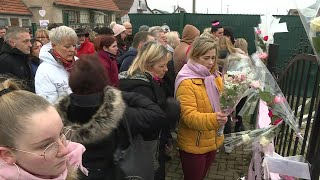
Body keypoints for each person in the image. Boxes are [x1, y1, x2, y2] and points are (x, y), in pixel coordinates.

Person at [55, 55, 168, 179]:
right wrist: (117, 94)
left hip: (72, 173)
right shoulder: (117, 113)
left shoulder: (56, 114)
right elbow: (157, 114)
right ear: (103, 79)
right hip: (110, 173)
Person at [0, 78, 87, 179]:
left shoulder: (70, 164)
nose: (65, 150)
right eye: (46, 145)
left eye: (61, 133)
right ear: (7, 155)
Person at [119, 41, 180, 180]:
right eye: (162, 66)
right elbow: (144, 124)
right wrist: (167, 115)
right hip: (144, 149)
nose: (166, 69)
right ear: (147, 65)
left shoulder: (145, 80)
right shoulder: (142, 88)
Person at [175, 37, 228, 180]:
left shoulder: (214, 76)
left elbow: (225, 100)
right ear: (195, 56)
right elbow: (188, 117)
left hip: (213, 139)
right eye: (206, 58)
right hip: (194, 145)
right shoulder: (186, 82)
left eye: (213, 58)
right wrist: (215, 118)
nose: (211, 62)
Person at [35, 26, 78, 103]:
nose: (72, 50)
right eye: (67, 46)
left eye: (74, 45)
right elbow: (48, 104)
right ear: (53, 45)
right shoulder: (44, 71)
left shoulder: (78, 62)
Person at [0, 27, 34, 92]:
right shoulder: (4, 61)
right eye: (25, 41)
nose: (30, 45)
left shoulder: (23, 56)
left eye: (30, 40)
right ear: (12, 43)